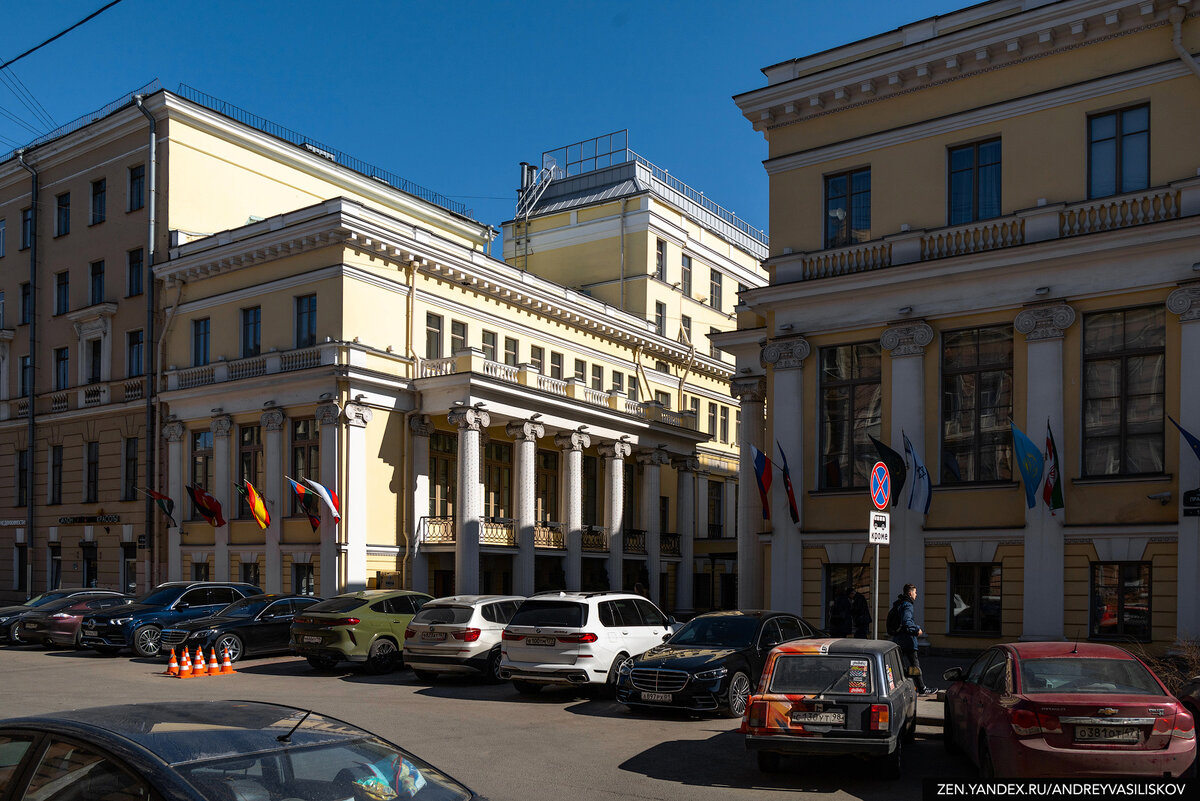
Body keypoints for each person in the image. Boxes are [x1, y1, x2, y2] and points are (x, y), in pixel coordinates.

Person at [891, 583, 935, 695]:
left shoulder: (899, 604)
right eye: (915, 592)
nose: (916, 594)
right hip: (908, 641)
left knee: (900, 665)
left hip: (898, 640)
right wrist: (917, 630)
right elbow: (907, 622)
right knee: (915, 666)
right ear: (910, 593)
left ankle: (901, 687)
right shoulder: (907, 605)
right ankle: (922, 689)